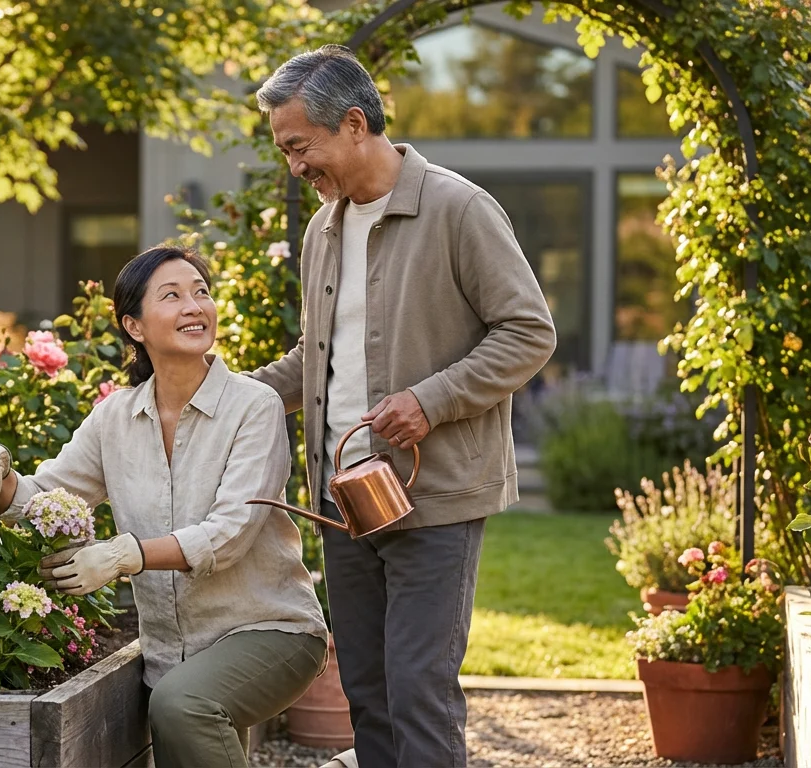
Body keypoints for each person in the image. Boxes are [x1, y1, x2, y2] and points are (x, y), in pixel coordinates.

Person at [249, 45, 558, 768]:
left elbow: (529, 332)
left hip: (434, 497)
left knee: (419, 691)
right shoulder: (322, 231)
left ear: (353, 124)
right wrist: (214, 397)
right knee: (368, 691)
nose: (295, 165)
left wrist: (431, 399)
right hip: (344, 500)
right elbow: (313, 356)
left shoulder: (458, 208)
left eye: (300, 145)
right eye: (286, 149)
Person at [0, 245, 329, 768]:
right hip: (173, 650)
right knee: (183, 723)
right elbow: (48, 498)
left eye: (201, 292)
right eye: (172, 296)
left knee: (182, 706)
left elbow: (232, 531)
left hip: (271, 630)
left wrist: (126, 555)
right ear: (134, 325)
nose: (194, 306)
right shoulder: (115, 418)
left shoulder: (253, 406)